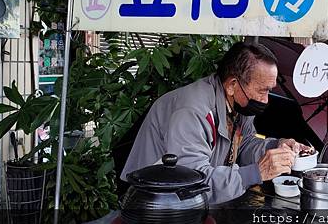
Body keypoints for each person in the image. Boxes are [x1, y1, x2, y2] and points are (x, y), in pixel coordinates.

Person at [121, 42, 308, 204]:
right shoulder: (193, 111)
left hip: (187, 200)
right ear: (232, 85)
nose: (266, 100)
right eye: (262, 90)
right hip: (154, 201)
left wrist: (277, 146)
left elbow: (245, 145)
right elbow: (192, 183)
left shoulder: (240, 105)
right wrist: (255, 173)